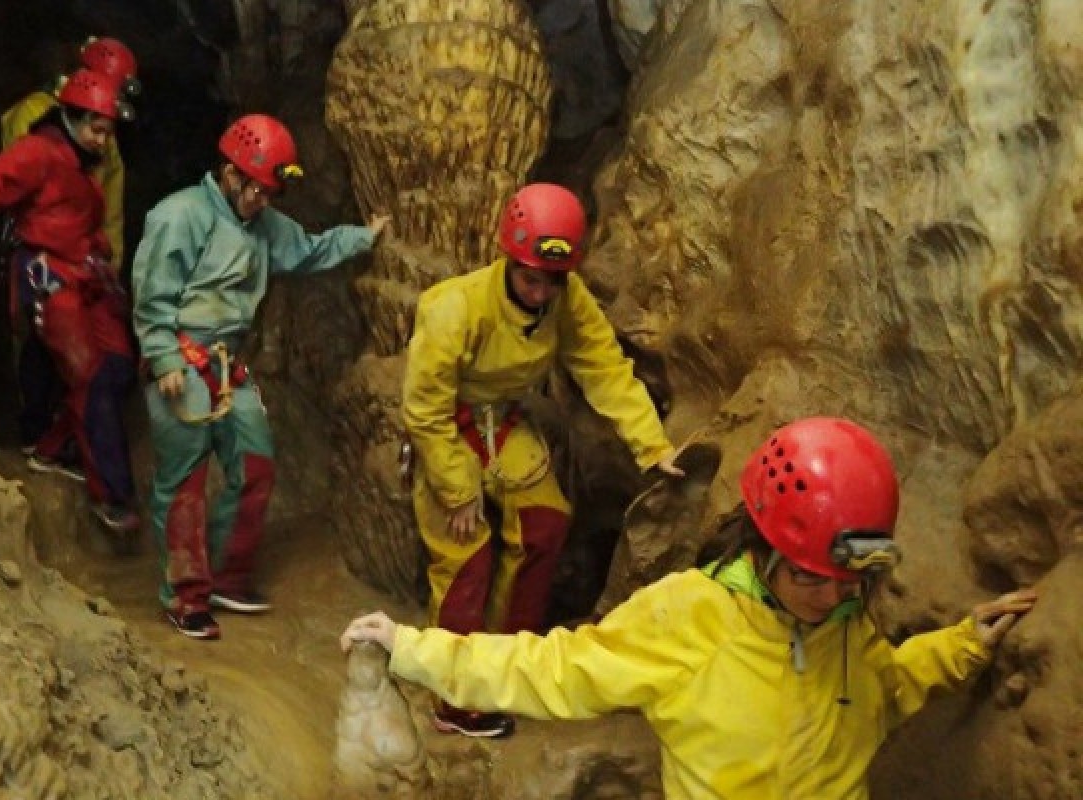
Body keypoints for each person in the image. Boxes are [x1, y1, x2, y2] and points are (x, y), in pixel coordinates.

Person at [342, 416, 1038, 798]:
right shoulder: (690, 617)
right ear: (762, 549)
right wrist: (416, 650)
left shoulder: (847, 623)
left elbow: (886, 688)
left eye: (848, 581)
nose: (833, 599)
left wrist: (962, 645)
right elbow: (554, 670)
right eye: (811, 580)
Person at [398, 182, 686, 738]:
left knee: (545, 524)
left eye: (552, 281)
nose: (540, 293)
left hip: (503, 421)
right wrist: (458, 492)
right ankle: (456, 698)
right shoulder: (456, 307)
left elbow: (603, 368)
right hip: (446, 427)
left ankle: (512, 669)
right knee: (466, 555)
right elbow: (425, 407)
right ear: (509, 259)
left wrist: (654, 447)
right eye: (531, 278)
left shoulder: (567, 300)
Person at [130, 113, 390, 641]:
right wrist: (163, 358)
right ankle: (185, 594)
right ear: (230, 175)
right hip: (183, 358)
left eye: (270, 192)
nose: (263, 201)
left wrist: (365, 238)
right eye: (257, 190)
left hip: (228, 362)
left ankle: (228, 574)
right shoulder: (179, 216)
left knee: (255, 464)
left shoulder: (265, 225)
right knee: (184, 484)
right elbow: (152, 292)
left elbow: (311, 250)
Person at [0, 68, 141, 533]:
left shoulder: (85, 163)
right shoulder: (40, 151)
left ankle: (54, 444)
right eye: (97, 129)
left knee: (119, 365)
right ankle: (114, 498)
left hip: (87, 275)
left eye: (109, 130)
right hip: (49, 276)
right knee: (88, 373)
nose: (104, 139)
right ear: (71, 118)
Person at [0, 36, 140, 466]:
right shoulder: (33, 117)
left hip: (87, 259)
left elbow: (111, 200)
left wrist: (110, 259)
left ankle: (63, 439)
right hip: (44, 252)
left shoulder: (105, 136)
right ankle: (35, 430)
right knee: (38, 343)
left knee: (91, 358)